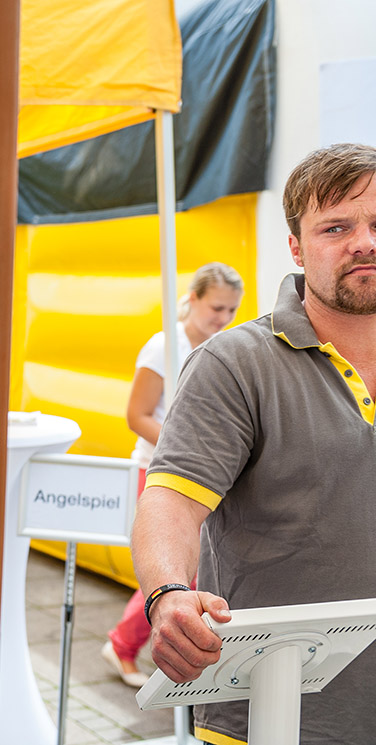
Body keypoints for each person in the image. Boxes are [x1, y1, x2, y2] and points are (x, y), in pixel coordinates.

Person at [132, 143, 376, 745]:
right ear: (295, 245)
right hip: (275, 711)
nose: (364, 242)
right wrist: (167, 595)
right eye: (336, 226)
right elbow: (171, 501)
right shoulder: (236, 363)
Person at [101, 262, 243, 687]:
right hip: (159, 469)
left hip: (207, 475)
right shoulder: (164, 345)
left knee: (189, 570)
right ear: (194, 298)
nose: (223, 318)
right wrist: (190, 449)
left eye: (232, 310)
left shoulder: (225, 348)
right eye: (217, 307)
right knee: (175, 571)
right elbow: (136, 415)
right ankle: (123, 645)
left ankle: (127, 644)